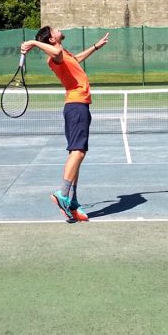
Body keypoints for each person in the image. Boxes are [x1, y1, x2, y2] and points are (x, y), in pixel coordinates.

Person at [20, 26, 110, 223]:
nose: (59, 29)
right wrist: (35, 43)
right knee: (77, 151)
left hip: (78, 105)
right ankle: (63, 194)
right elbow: (57, 53)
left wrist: (95, 47)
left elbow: (76, 60)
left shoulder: (64, 54)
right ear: (52, 39)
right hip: (76, 106)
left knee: (78, 153)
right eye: (56, 30)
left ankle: (73, 201)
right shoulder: (55, 56)